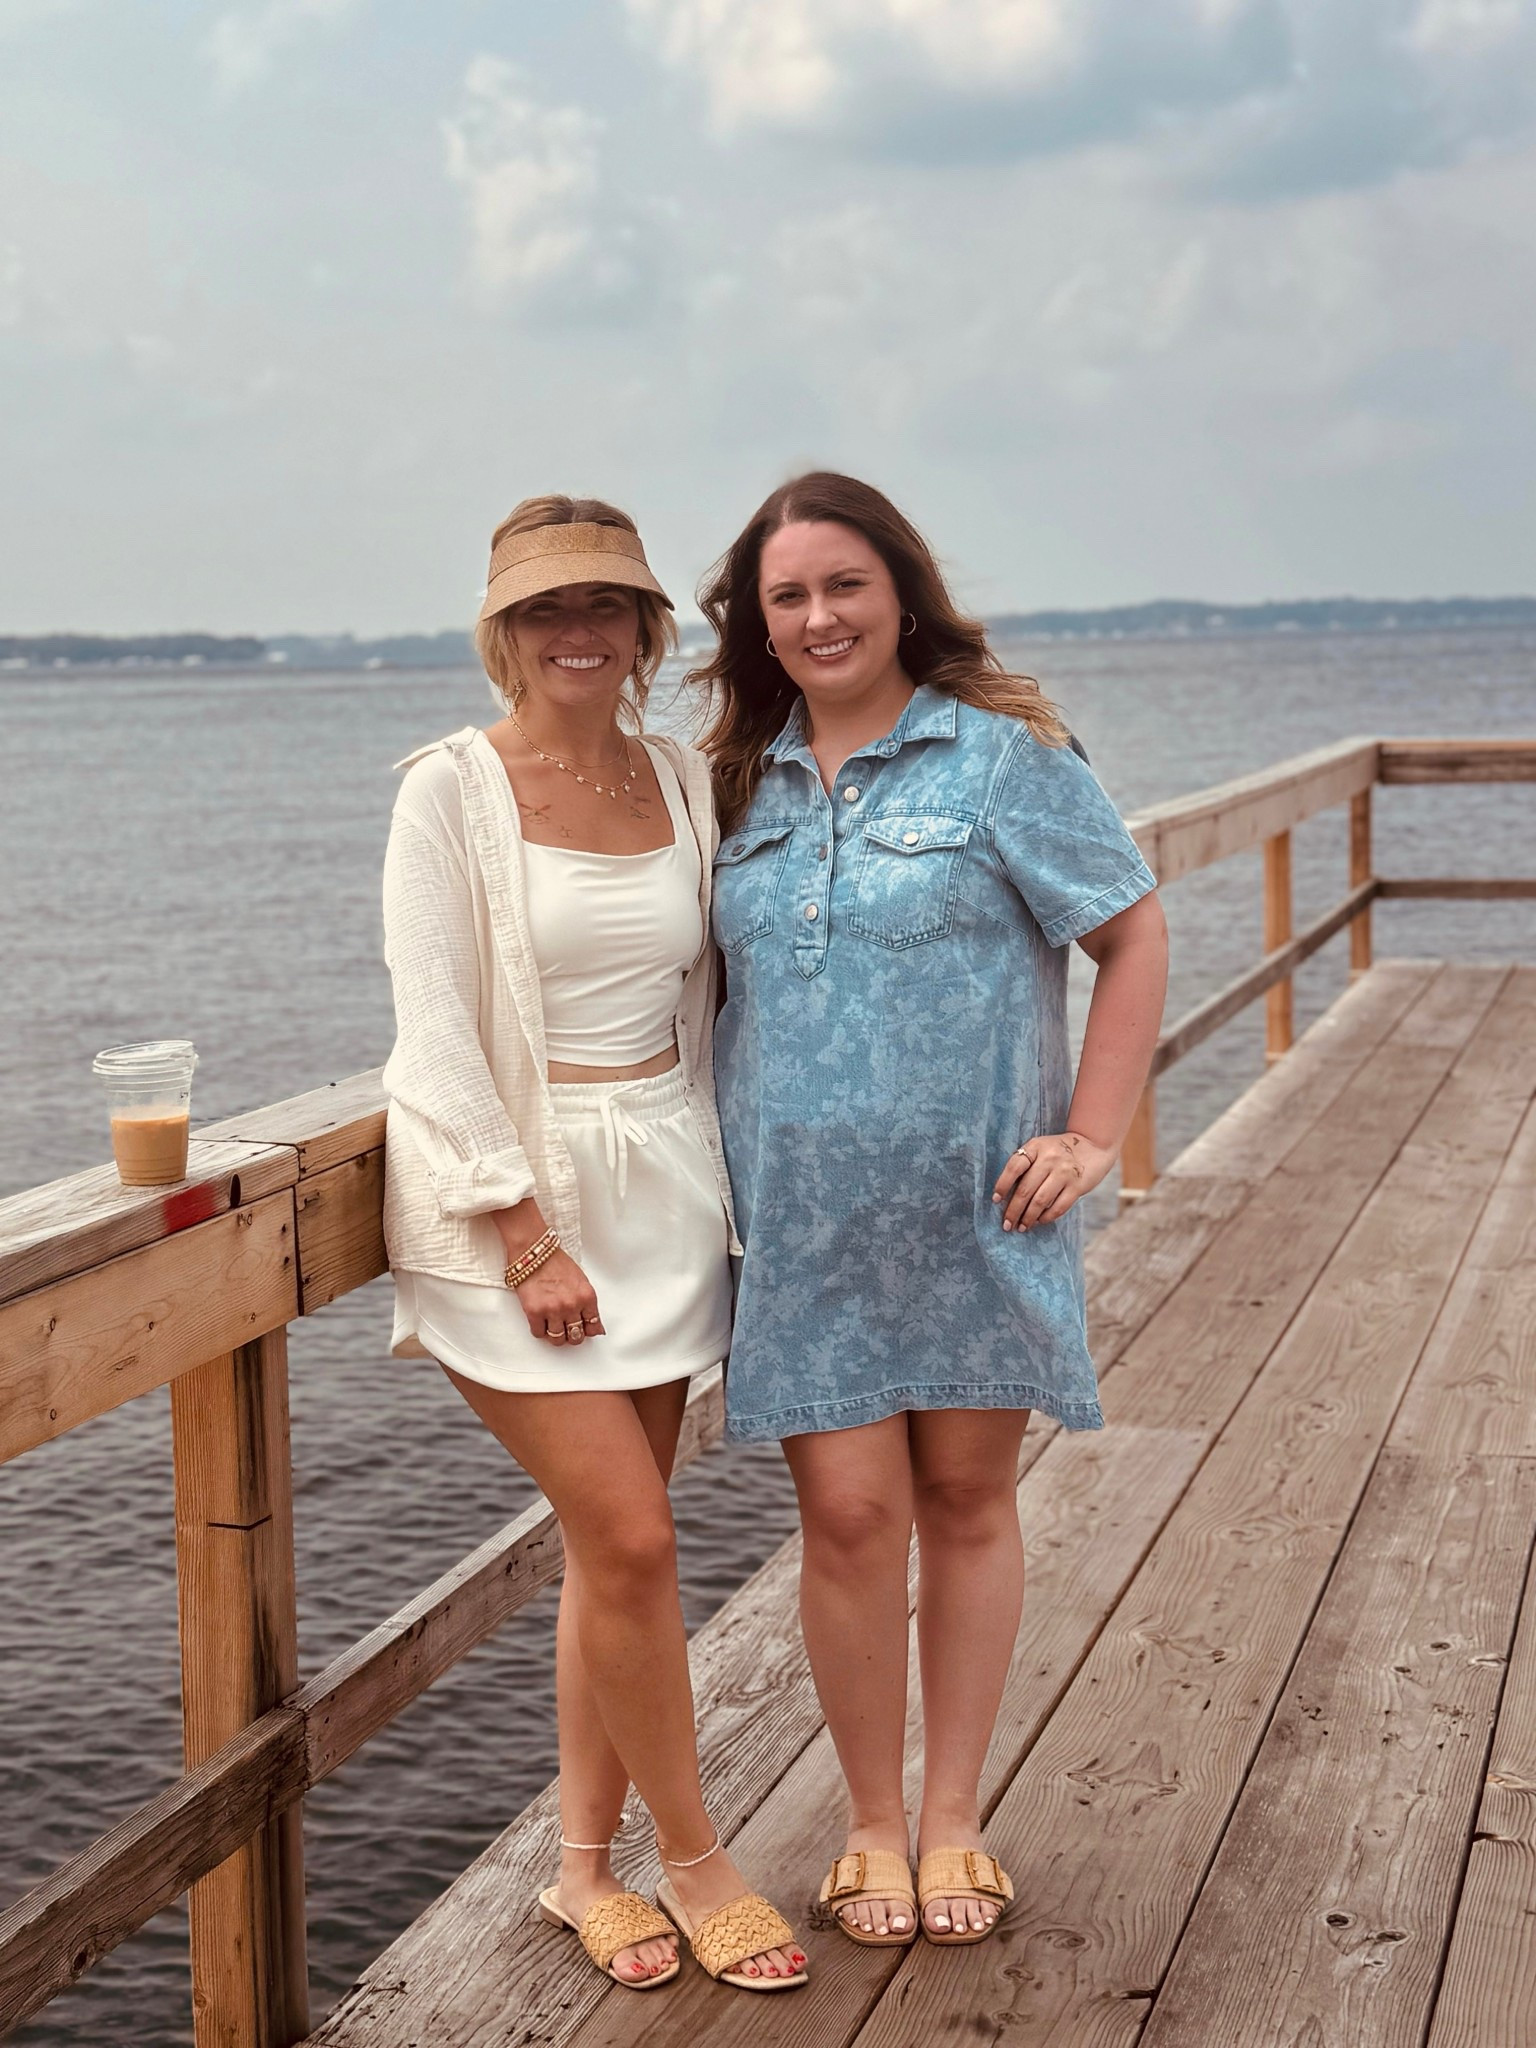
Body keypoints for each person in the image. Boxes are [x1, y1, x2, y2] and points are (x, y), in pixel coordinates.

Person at [696, 472, 1168, 1948]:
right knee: (846, 1519)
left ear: (900, 591)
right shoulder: (731, 779)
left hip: (980, 1213)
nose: (820, 615)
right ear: (758, 624)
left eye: (844, 584)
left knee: (966, 1503)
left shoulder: (1004, 756)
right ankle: (872, 1828)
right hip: (807, 1230)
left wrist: (1094, 1133)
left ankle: (953, 1820)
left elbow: (1133, 927)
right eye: (789, 596)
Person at [380, 495, 806, 1994]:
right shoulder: (449, 790)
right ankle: (694, 1862)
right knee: (633, 1537)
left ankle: (579, 1873)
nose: (581, 631)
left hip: (669, 1196)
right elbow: (430, 1031)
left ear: (644, 630)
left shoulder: (682, 776)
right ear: (503, 631)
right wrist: (518, 1230)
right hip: (522, 1215)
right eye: (548, 609)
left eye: (608, 607)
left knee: (602, 1559)